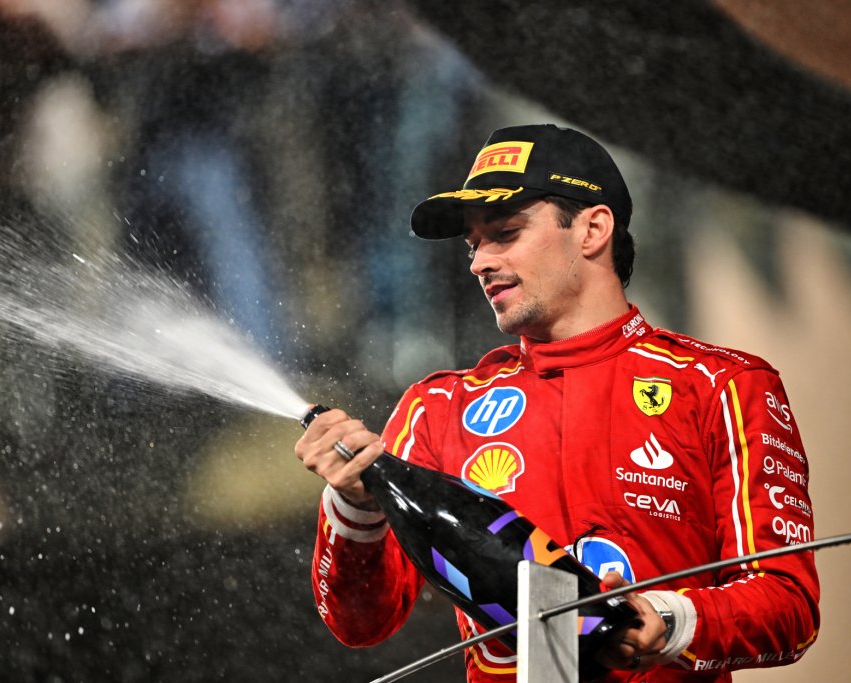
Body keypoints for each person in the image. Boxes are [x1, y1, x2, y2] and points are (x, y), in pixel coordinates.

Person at [295, 123, 819, 682]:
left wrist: (671, 620)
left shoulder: (724, 385)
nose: (478, 263)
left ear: (593, 229)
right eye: (474, 246)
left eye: (504, 233)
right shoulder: (436, 408)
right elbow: (359, 622)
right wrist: (355, 506)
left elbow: (790, 606)